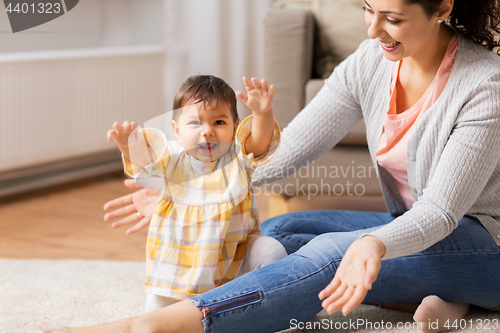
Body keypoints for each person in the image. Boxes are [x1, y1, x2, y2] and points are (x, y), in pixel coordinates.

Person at [38, 0, 500, 332]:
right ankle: (443, 297)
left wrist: (373, 243)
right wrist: (191, 185)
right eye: (366, 9)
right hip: (414, 226)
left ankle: (159, 326)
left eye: (392, 18)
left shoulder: (484, 84)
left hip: (486, 242)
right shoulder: (371, 62)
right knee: (276, 234)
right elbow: (291, 146)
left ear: (442, 7)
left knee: (331, 255)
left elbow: (440, 213)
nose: (372, 30)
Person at [106, 75, 287, 312]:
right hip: (179, 267)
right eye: (195, 123)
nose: (207, 131)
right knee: (157, 318)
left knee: (273, 251)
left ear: (235, 127)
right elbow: (144, 160)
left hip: (234, 259)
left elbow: (260, 144)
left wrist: (263, 114)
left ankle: (264, 310)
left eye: (219, 122)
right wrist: (126, 143)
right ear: (176, 130)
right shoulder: (172, 158)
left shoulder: (237, 159)